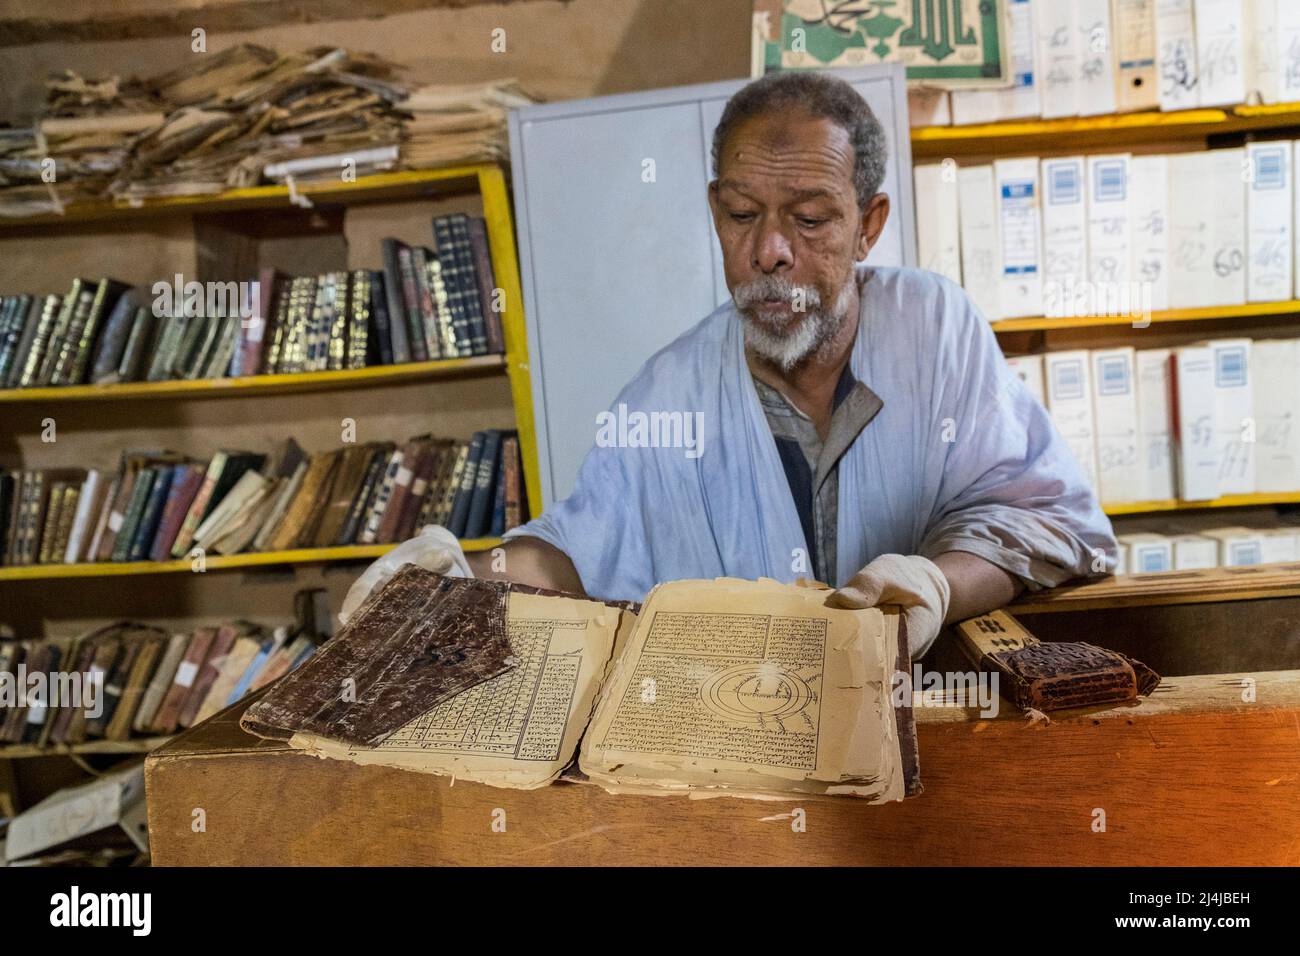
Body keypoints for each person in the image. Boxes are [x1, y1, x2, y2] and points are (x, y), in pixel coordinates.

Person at [349, 70, 1117, 657]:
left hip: (927, 729)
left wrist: (935, 587)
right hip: (739, 748)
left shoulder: (932, 327)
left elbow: (1039, 517)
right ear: (717, 209)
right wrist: (457, 582)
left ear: (868, 226)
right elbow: (577, 551)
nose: (769, 252)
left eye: (811, 219)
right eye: (742, 215)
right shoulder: (668, 391)